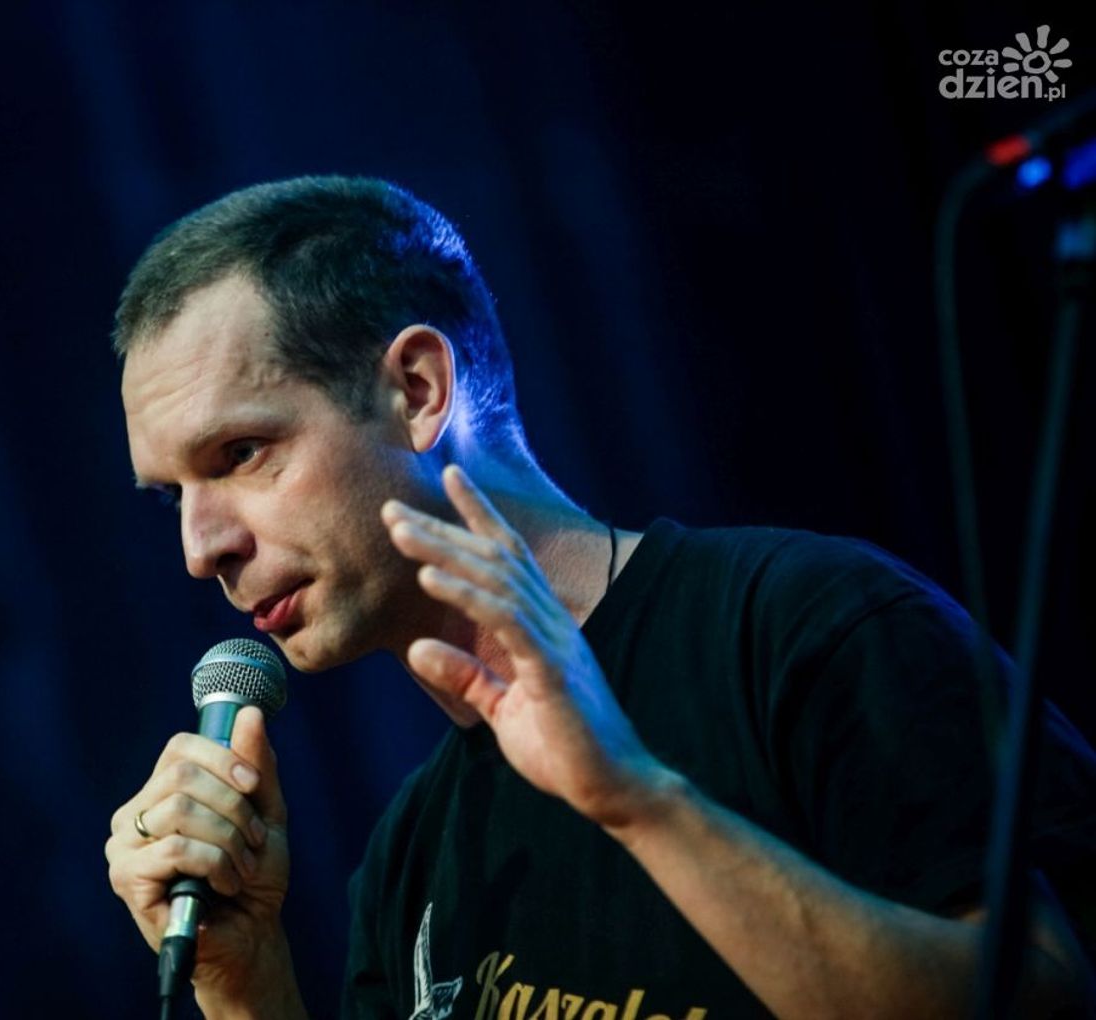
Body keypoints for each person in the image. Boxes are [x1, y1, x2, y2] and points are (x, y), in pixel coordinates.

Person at [103, 176, 1096, 1018]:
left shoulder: (807, 627)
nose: (200, 547)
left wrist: (639, 802)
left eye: (241, 453)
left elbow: (1051, 995)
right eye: (171, 497)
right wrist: (245, 984)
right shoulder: (413, 855)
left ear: (417, 390)